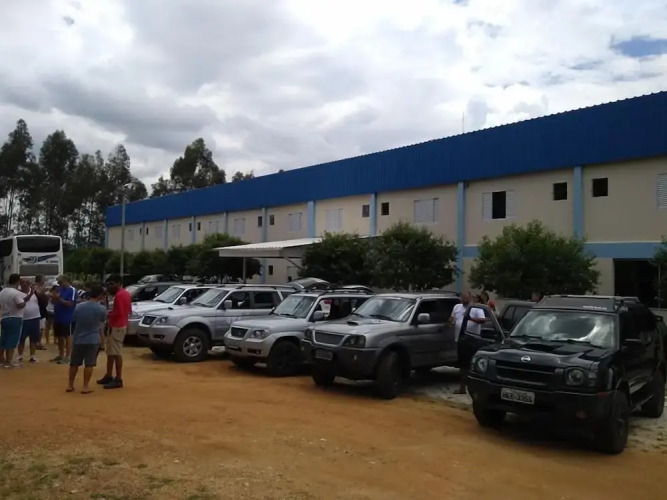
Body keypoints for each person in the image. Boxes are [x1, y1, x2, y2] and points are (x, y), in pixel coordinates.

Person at [67, 285, 107, 394]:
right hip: (93, 339)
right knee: (89, 364)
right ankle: (85, 386)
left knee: (74, 363)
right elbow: (101, 325)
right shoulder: (102, 309)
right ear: (100, 295)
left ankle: (70, 385)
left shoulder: (79, 307)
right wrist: (102, 342)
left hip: (79, 338)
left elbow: (74, 320)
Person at [449, 291, 487, 394]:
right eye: (463, 298)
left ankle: (475, 388)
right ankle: (462, 388)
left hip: (473, 340)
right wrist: (451, 321)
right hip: (460, 340)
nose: (465, 300)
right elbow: (452, 318)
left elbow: (483, 320)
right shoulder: (457, 307)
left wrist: (471, 319)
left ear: (470, 298)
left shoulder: (476, 308)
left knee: (473, 365)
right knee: (462, 365)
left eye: (467, 298)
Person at [98, 275, 131, 389]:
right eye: (108, 284)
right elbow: (128, 311)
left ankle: (118, 378)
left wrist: (107, 314)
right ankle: (109, 375)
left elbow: (119, 312)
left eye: (111, 284)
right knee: (111, 352)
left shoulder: (119, 296)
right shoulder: (125, 293)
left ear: (118, 283)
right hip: (118, 325)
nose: (109, 287)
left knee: (116, 353)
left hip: (117, 326)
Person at [0, 274, 33, 368]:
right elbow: (20, 304)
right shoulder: (16, 293)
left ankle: (1, 360)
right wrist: (25, 302)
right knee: (12, 339)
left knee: (4, 339)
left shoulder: (3, 291)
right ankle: (9, 361)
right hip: (15, 317)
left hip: (4, 317)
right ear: (18, 281)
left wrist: (28, 296)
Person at [51, 275, 78, 365]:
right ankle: (61, 354)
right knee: (60, 336)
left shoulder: (72, 290)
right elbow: (54, 301)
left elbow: (70, 304)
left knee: (68, 336)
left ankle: (68, 356)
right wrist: (54, 297)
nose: (59, 284)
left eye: (60, 282)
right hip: (58, 316)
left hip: (67, 317)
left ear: (66, 281)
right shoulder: (60, 289)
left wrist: (59, 299)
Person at [17, 278, 42, 364]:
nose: (25, 284)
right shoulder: (18, 293)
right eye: (23, 282)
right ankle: (20, 355)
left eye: (27, 282)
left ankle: (32, 356)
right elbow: (21, 302)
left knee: (34, 338)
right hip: (23, 318)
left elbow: (43, 300)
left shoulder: (35, 292)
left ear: (29, 283)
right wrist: (31, 294)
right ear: (20, 284)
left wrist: (39, 290)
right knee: (21, 338)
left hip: (35, 318)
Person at [33, 275, 49, 350]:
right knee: (38, 327)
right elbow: (39, 294)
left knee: (42, 327)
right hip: (38, 309)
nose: (45, 281)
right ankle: (36, 342)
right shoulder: (35, 286)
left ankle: (38, 342)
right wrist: (44, 292)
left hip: (42, 308)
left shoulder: (41, 287)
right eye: (44, 279)